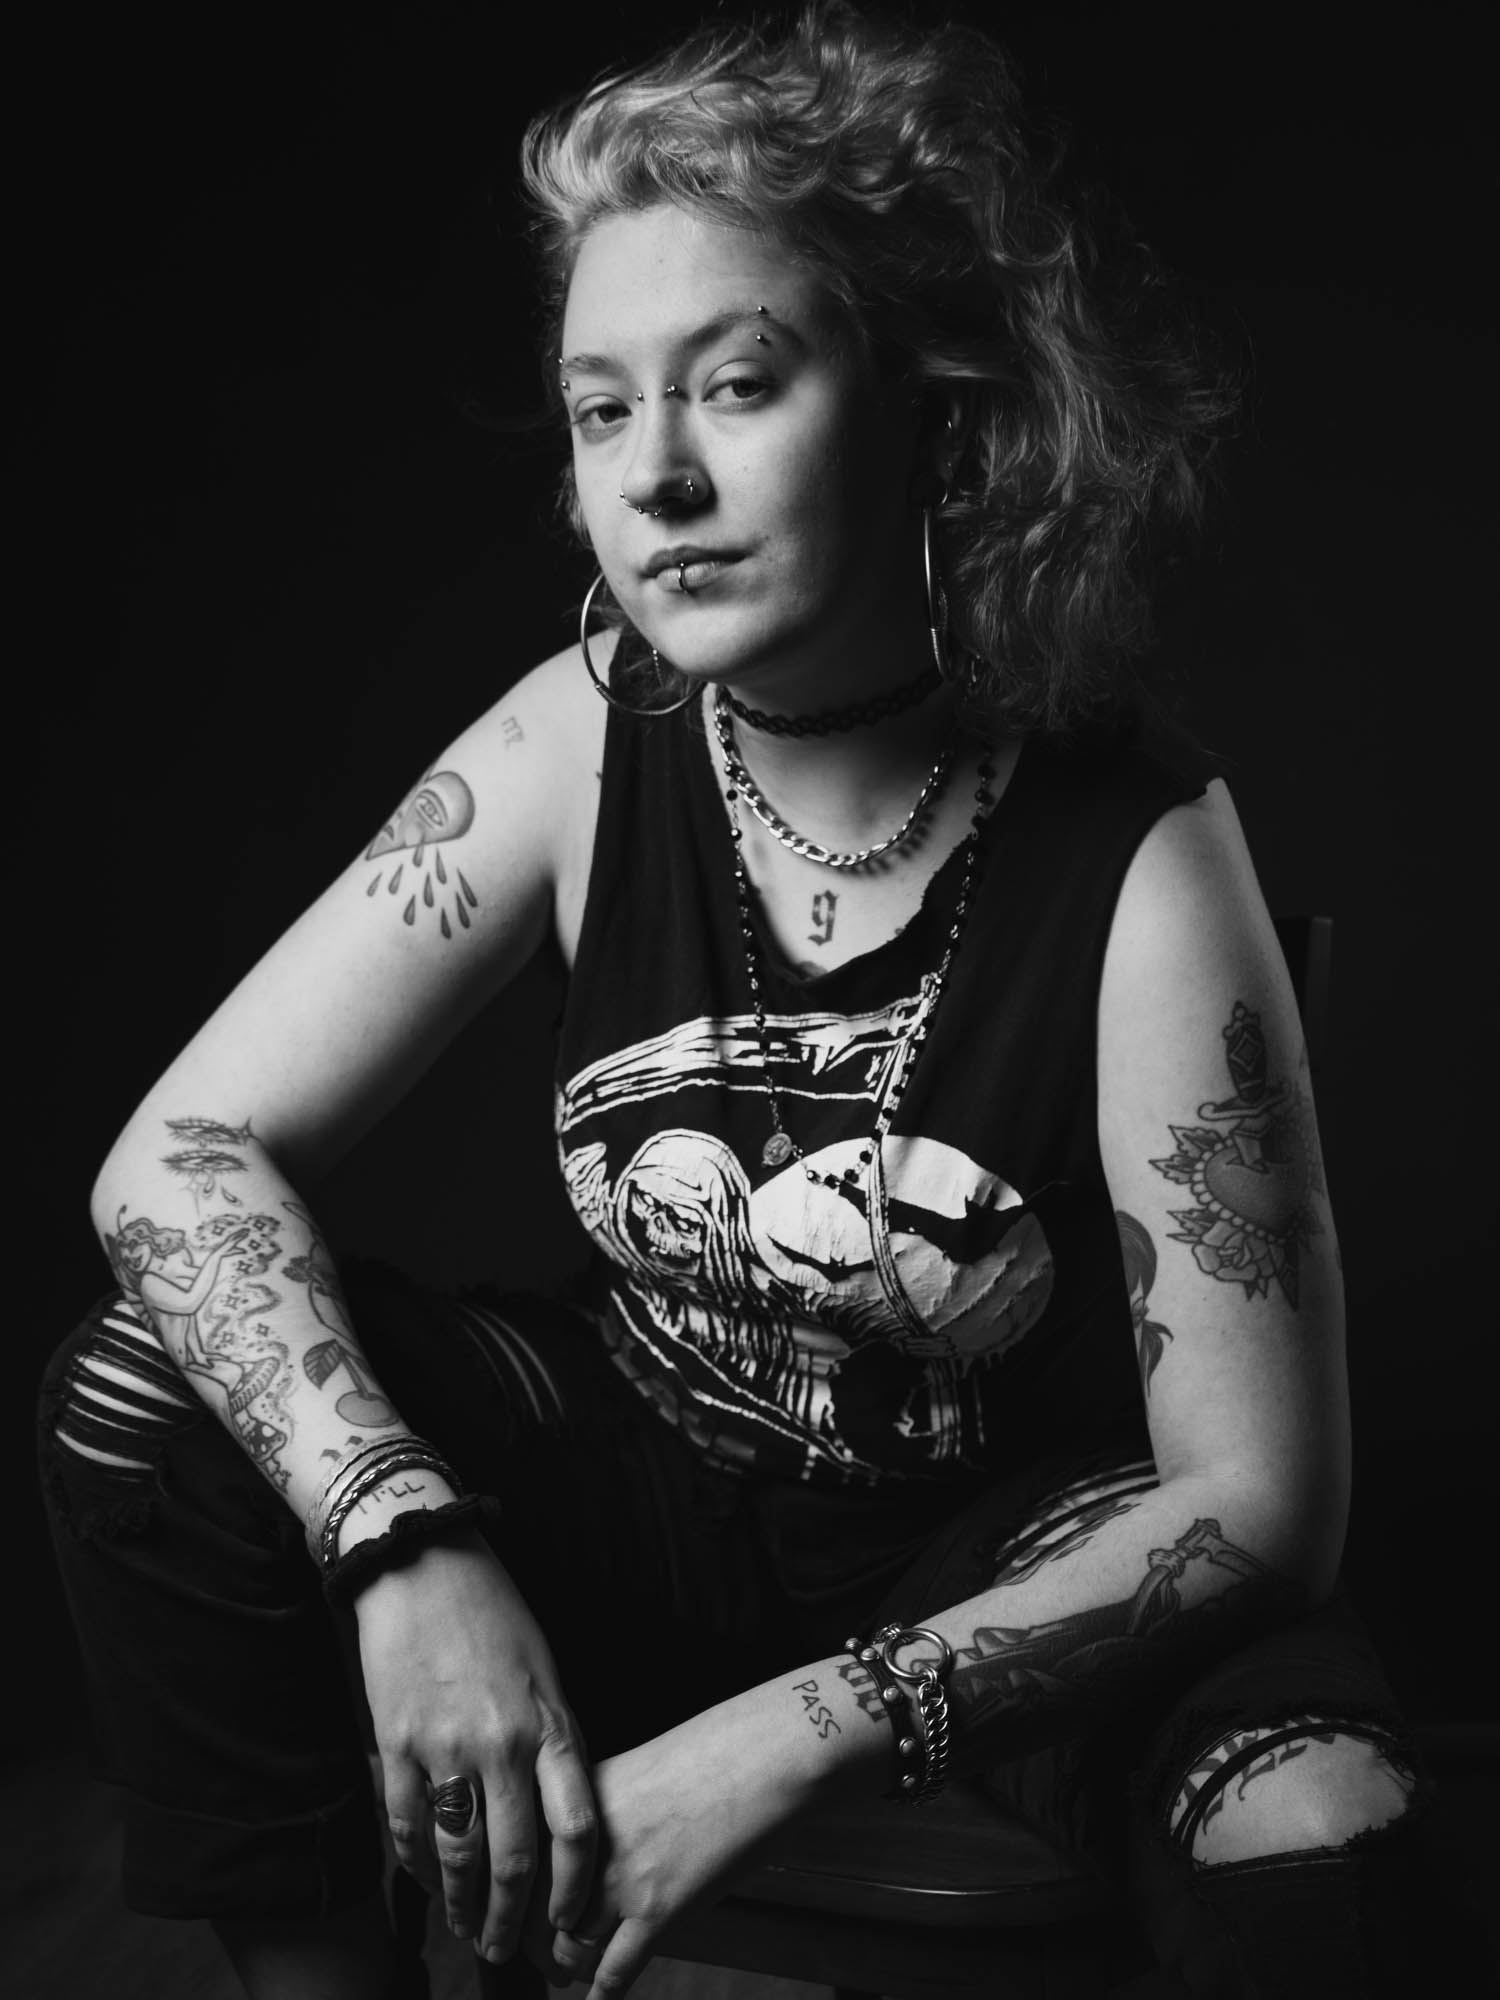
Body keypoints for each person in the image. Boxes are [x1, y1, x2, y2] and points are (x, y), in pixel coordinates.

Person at [40, 7, 1462, 1998]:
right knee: (148, 1390)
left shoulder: (1142, 845)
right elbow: (176, 1156)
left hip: (999, 1553)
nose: (658, 476)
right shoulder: (577, 742)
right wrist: (402, 1539)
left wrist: (787, 1736)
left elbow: (1261, 1503)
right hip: (629, 1507)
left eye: (737, 382)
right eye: (599, 408)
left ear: (932, 406)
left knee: (1320, 1820)